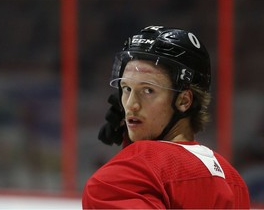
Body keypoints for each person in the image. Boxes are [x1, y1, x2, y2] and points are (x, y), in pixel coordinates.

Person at [82, 25, 250, 209]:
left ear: (184, 101)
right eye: (126, 89)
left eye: (148, 90)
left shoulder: (120, 179)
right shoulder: (233, 180)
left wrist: (131, 159)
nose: (130, 104)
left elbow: (150, 172)